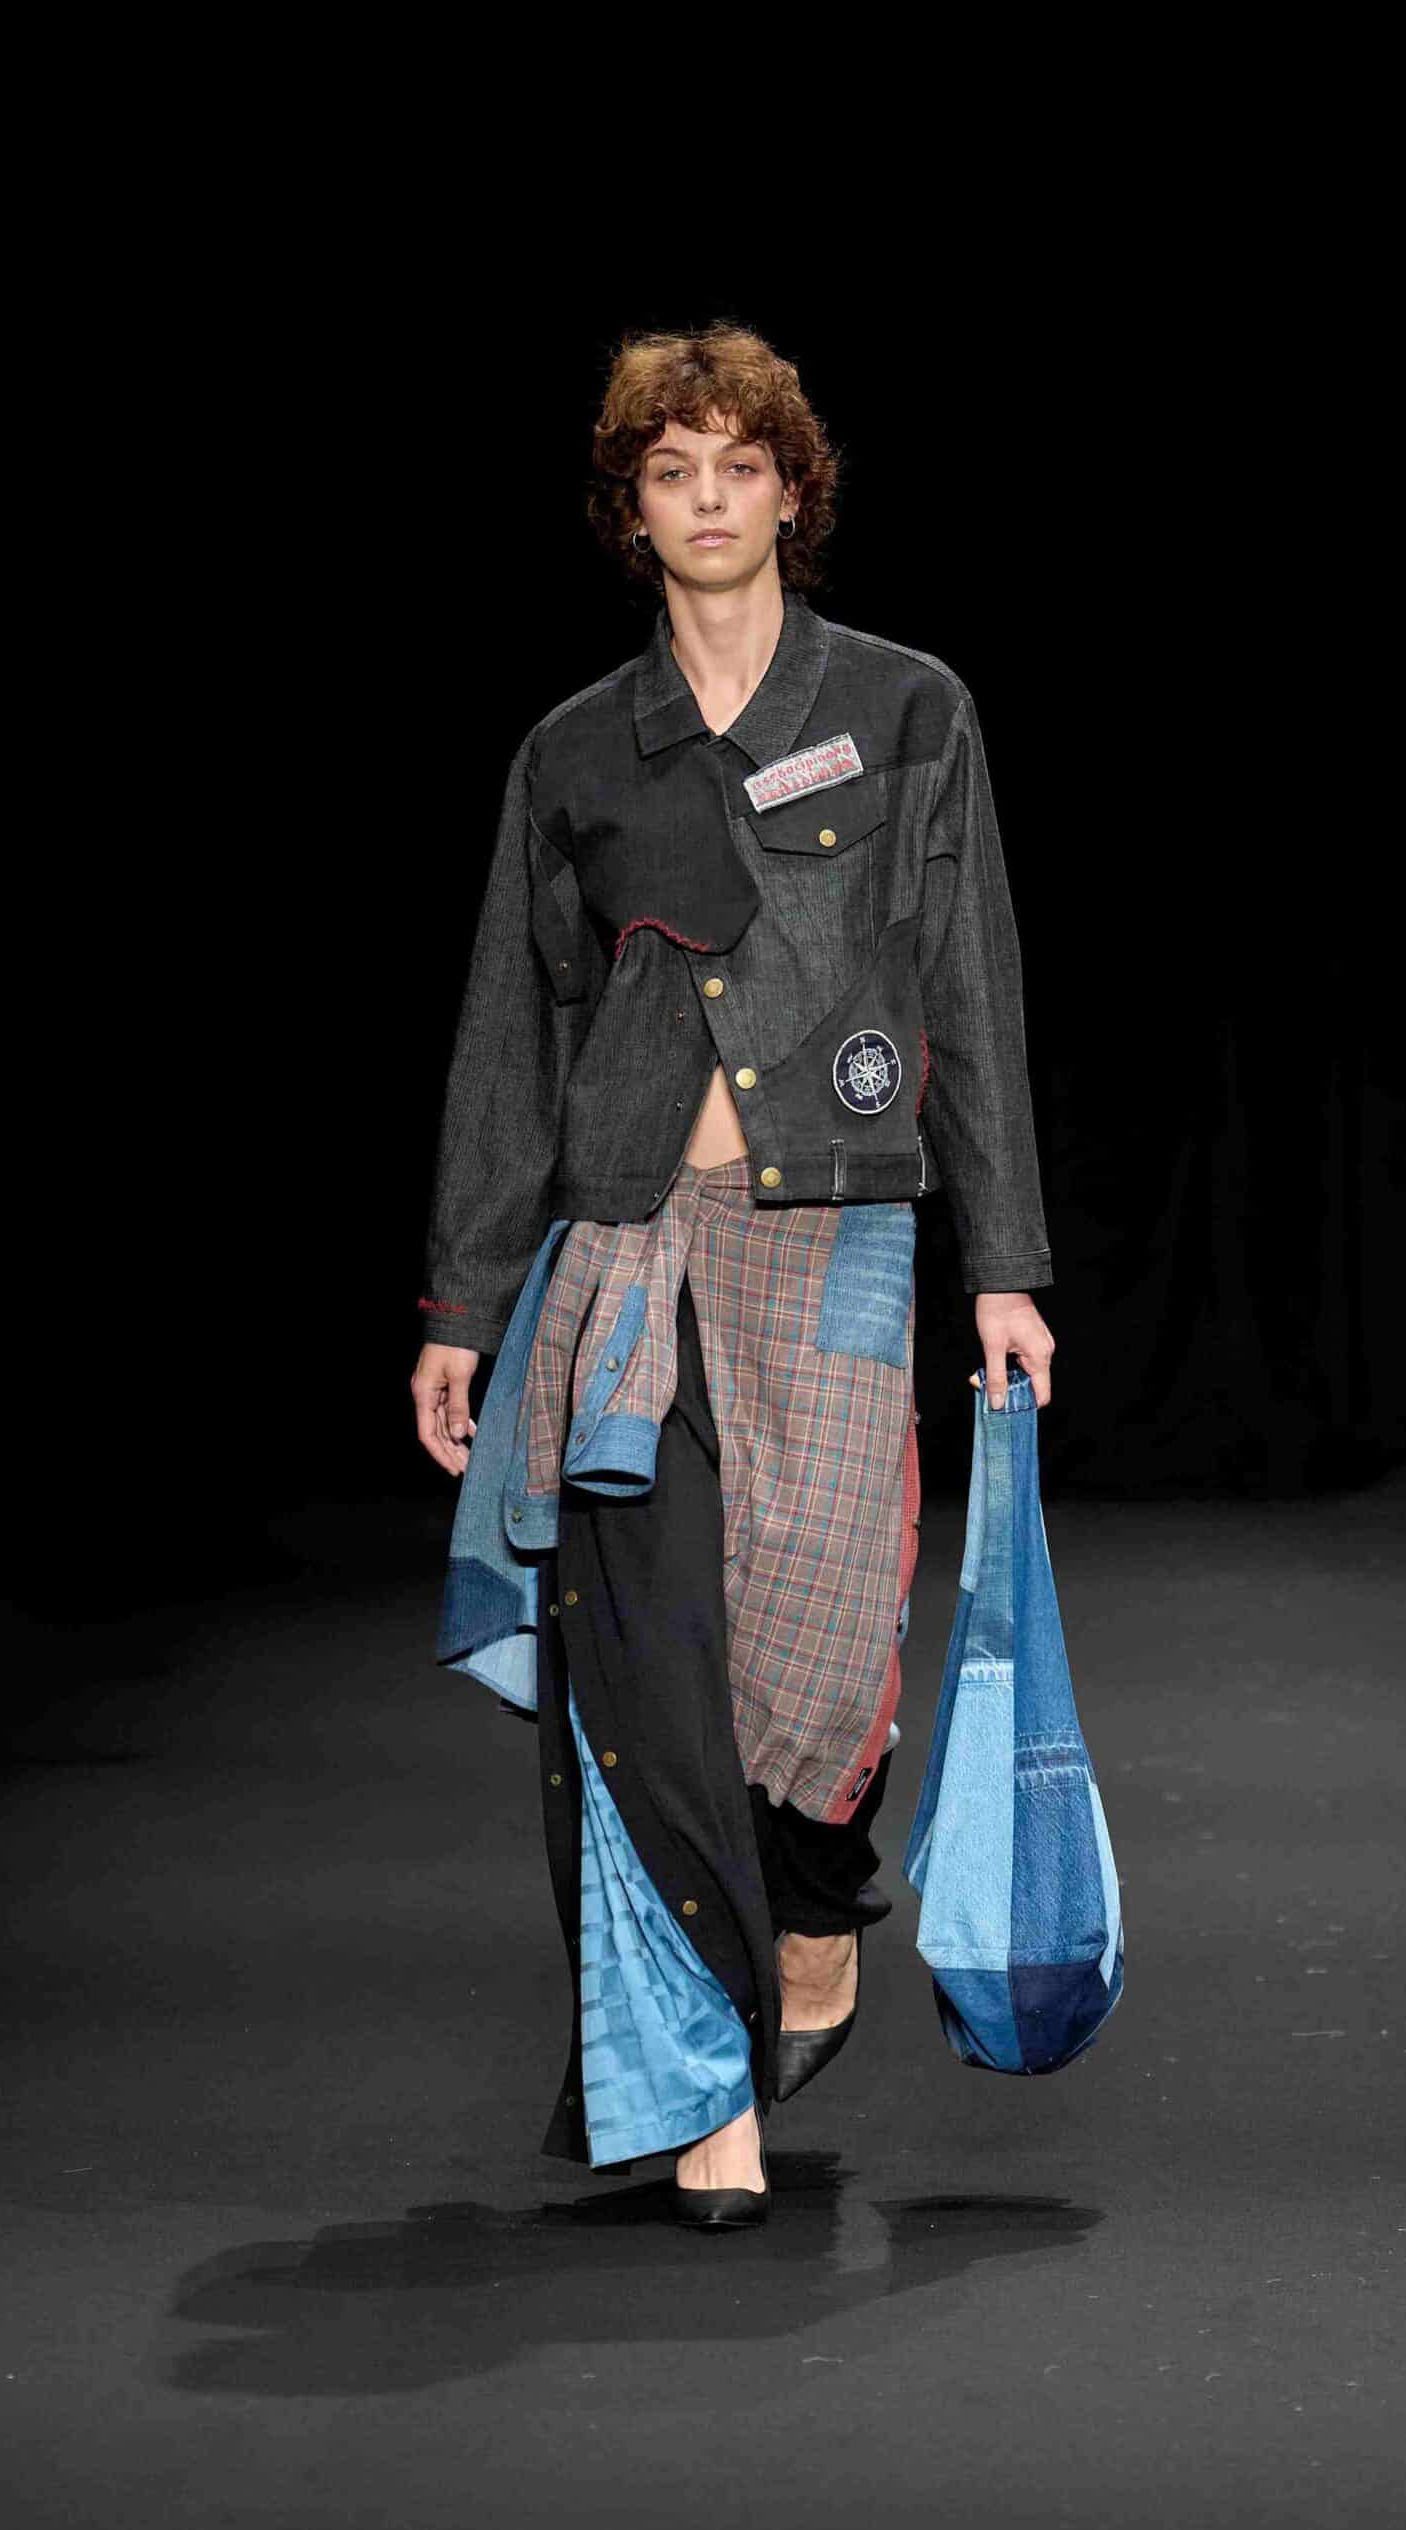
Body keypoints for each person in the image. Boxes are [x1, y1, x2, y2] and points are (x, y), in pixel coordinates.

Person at [412, 323, 1055, 2227]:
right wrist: (463, 1305)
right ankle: (704, 2092)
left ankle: (818, 1907)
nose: (707, 499)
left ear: (793, 489)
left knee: (824, 1667)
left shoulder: (909, 709)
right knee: (649, 1673)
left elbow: (969, 989)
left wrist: (1005, 1263)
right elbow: (511, 1036)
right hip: (623, 1250)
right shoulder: (574, 754)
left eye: (739, 465)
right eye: (670, 470)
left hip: (835, 1238)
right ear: (632, 509)